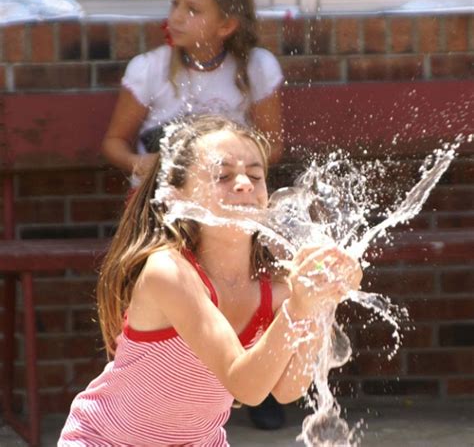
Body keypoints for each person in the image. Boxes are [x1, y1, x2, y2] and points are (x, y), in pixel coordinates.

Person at [59, 115, 362, 446]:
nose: (245, 183)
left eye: (256, 175)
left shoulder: (276, 286)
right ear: (177, 197)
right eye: (223, 175)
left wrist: (321, 299)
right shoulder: (169, 272)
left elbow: (288, 388)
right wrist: (298, 308)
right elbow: (244, 386)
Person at [102, 0, 284, 189]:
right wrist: (139, 163)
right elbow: (114, 142)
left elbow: (273, 147)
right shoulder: (148, 69)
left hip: (225, 193)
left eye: (192, 10)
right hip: (161, 195)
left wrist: (230, 168)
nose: (176, 16)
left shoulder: (257, 67)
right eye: (175, 3)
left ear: (226, 26)